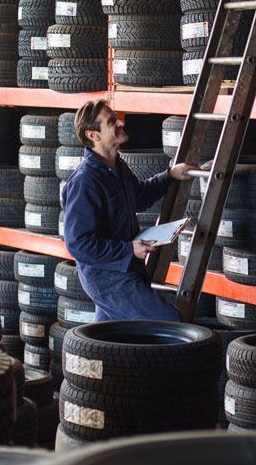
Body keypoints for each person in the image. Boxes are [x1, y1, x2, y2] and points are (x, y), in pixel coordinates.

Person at [61, 99, 196, 322]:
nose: (121, 122)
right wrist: (127, 250)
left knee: (111, 342)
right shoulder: (85, 182)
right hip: (107, 278)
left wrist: (169, 176)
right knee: (169, 322)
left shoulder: (117, 166)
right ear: (92, 135)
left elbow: (138, 198)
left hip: (125, 270)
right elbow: (78, 244)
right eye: (112, 121)